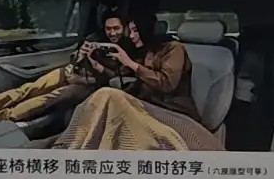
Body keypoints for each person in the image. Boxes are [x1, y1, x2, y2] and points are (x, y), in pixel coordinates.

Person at [56, 9, 208, 150]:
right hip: (146, 107)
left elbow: (167, 83)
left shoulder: (173, 48)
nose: (131, 36)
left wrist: (130, 63)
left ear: (147, 29)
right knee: (100, 101)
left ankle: (71, 147)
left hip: (173, 111)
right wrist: (98, 67)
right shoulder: (143, 52)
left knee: (108, 95)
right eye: (130, 31)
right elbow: (119, 78)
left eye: (135, 30)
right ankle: (69, 146)